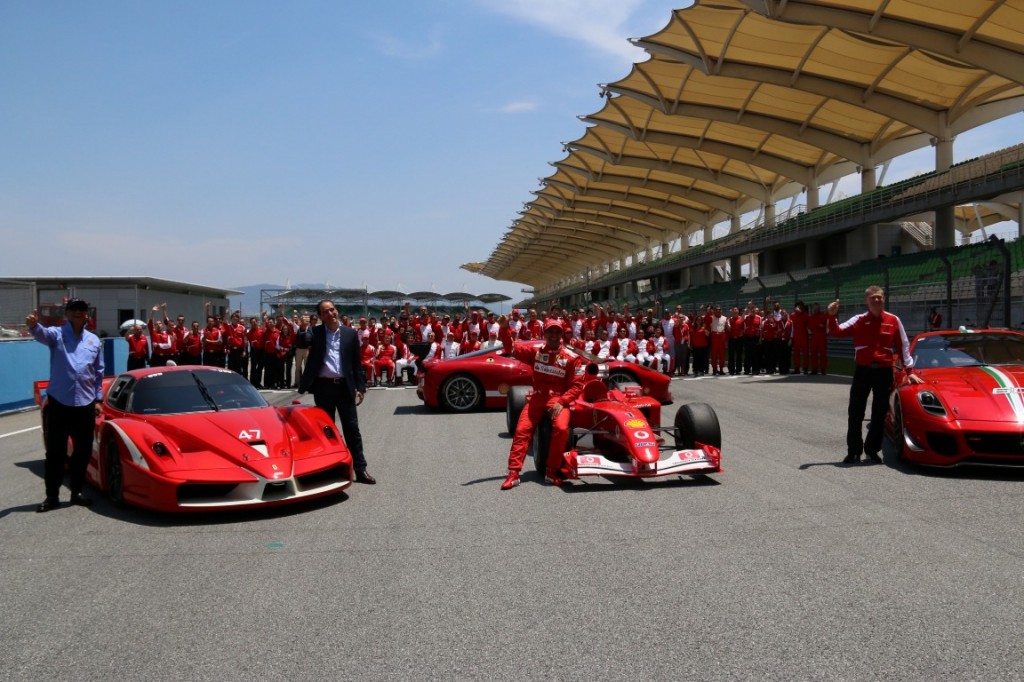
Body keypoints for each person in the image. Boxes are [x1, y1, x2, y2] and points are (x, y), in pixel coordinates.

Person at [828, 286, 921, 465]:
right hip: (863, 371)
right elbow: (836, 331)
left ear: (884, 299)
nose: (876, 300)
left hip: (884, 372)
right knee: (855, 412)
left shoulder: (894, 320)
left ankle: (872, 451)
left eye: (879, 297)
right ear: (867, 301)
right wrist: (832, 316)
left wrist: (909, 372)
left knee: (879, 414)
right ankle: (854, 451)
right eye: (873, 298)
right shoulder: (859, 319)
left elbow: (903, 346)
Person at [26, 299, 104, 511]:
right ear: (67, 313)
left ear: (87, 314)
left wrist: (98, 399)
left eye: (82, 310)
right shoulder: (57, 334)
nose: (78, 312)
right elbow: (42, 334)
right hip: (59, 403)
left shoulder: (94, 341)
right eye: (74, 309)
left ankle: (76, 492)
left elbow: (98, 372)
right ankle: (52, 497)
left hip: (85, 403)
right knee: (55, 452)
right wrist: (34, 325)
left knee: (83, 451)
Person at [498, 316, 586, 490]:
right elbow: (511, 348)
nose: (553, 335)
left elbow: (577, 385)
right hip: (537, 398)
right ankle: (513, 473)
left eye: (557, 332)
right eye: (550, 331)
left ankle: (551, 471)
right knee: (522, 430)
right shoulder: (536, 352)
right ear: (544, 334)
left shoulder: (572, 358)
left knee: (561, 429)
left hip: (558, 399)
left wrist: (562, 401)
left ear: (561, 334)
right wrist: (504, 328)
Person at [298, 299, 375, 484]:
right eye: (325, 312)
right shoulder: (315, 332)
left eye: (332, 310)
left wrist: (360, 387)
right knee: (326, 431)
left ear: (337, 310)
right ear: (320, 316)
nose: (330, 314)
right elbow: (302, 341)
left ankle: (360, 469)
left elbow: (356, 363)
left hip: (344, 387)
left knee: (352, 429)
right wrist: (302, 328)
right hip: (323, 387)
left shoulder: (350, 334)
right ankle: (329, 469)